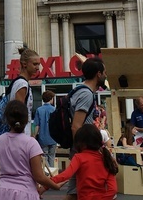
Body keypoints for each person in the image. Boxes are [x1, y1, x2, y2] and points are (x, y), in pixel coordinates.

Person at [0, 100, 65, 200]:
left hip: (2, 192)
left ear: (7, 119)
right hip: (25, 193)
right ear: (27, 120)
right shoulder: (31, 143)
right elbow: (39, 176)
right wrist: (54, 185)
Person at [65, 57, 106, 200]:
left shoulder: (81, 91)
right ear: (98, 74)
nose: (106, 75)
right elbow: (76, 126)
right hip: (84, 149)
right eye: (104, 72)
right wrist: (82, 152)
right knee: (76, 191)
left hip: (82, 148)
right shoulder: (86, 94)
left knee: (76, 191)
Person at [45, 124, 118, 200]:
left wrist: (46, 183)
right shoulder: (106, 159)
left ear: (80, 143)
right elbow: (113, 189)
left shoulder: (79, 157)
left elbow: (65, 175)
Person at [12, 46, 41, 134]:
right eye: (35, 64)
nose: (37, 68)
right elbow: (18, 113)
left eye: (38, 64)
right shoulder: (22, 84)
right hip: (20, 136)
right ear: (24, 64)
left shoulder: (21, 83)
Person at [32, 90, 57, 167]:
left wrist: (33, 136)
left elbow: (36, 125)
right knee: (52, 156)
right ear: (51, 99)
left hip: (43, 138)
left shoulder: (39, 110)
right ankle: (52, 174)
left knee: (44, 157)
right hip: (53, 138)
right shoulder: (54, 109)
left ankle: (48, 173)